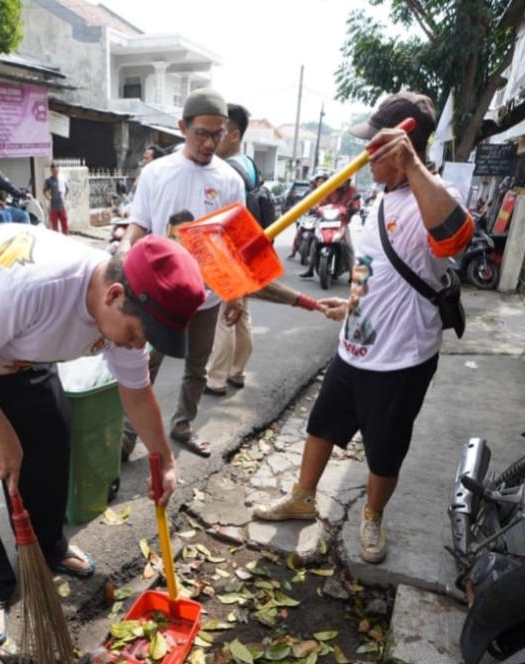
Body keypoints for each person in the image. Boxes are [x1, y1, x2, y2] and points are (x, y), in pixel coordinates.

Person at [0, 224, 204, 648]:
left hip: (19, 353)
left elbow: (137, 393)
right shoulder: (35, 286)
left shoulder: (121, 311)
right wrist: (0, 434)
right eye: (139, 335)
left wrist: (166, 460)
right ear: (114, 295)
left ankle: (48, 546)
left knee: (51, 441)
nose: (140, 346)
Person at [254, 92, 474, 565]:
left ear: (403, 142)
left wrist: (413, 166)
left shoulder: (433, 196)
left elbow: (457, 236)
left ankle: (371, 516)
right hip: (355, 347)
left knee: (384, 449)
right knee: (322, 427)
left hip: (401, 358)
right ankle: (303, 498)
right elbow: (372, 269)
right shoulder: (378, 201)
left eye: (374, 145)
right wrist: (350, 304)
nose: (365, 157)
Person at [118, 88, 246, 460]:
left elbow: (233, 244)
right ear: (182, 128)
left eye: (218, 134)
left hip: (206, 295)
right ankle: (128, 434)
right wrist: (124, 255)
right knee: (144, 364)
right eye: (202, 133)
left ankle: (183, 425)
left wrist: (235, 291)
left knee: (198, 364)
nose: (210, 142)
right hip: (159, 295)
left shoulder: (230, 180)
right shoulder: (157, 173)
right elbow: (138, 225)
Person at [204, 103, 257, 397]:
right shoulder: (250, 165)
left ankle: (215, 378)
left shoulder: (227, 172)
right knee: (242, 315)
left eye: (220, 132)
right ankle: (238, 371)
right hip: (251, 249)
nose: (213, 140)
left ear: (234, 135)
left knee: (224, 316)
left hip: (231, 252)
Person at [298, 176, 361, 279]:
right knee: (316, 242)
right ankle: (310, 269)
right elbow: (322, 201)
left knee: (348, 247)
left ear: (347, 181)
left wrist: (353, 209)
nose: (340, 181)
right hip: (327, 220)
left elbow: (356, 204)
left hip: (341, 221)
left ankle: (352, 274)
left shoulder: (352, 190)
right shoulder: (331, 187)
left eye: (343, 179)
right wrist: (316, 207)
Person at [289, 171, 327, 259]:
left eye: (322, 181)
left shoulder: (329, 193)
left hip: (322, 217)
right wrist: (295, 208)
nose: (320, 183)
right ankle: (294, 251)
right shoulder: (310, 192)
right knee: (299, 230)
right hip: (310, 215)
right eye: (319, 181)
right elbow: (302, 202)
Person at [44, 163, 70, 235]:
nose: (56, 172)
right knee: (54, 226)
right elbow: (44, 191)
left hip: (61, 205)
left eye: (57, 170)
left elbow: (67, 189)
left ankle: (66, 237)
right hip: (53, 206)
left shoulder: (62, 179)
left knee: (64, 222)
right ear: (51, 170)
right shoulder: (48, 180)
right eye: (54, 170)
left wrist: (64, 197)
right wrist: (48, 197)